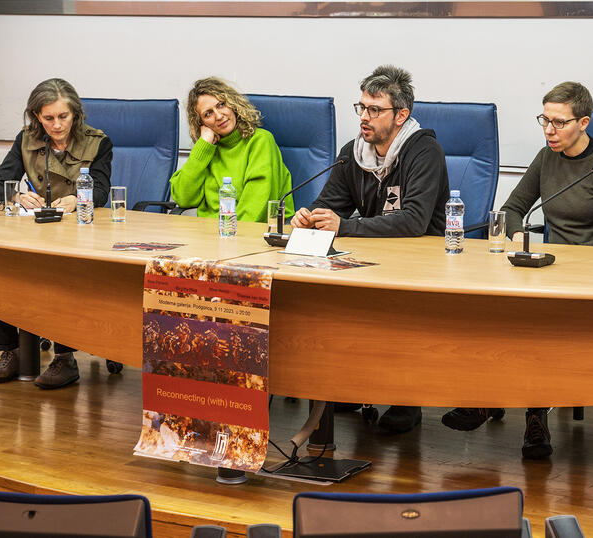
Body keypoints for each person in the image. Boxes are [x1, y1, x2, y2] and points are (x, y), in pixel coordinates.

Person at [440, 81, 593, 459]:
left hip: (591, 274)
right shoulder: (547, 157)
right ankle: (486, 397)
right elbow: (514, 208)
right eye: (544, 120)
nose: (549, 130)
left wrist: (564, 259)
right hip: (545, 267)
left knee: (536, 323)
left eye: (559, 122)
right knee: (490, 308)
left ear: (584, 122)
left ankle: (532, 416)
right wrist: (517, 236)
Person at [291, 64, 449, 432]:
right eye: (362, 107)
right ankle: (354, 386)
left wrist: (344, 226)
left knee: (400, 310)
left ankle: (407, 400)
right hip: (374, 254)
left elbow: (413, 222)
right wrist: (310, 218)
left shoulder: (424, 151)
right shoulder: (353, 153)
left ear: (401, 115)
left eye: (375, 110)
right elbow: (330, 204)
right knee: (333, 301)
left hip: (422, 259)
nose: (365, 116)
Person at [0, 77, 113, 389]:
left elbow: (101, 191)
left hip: (80, 231)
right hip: (36, 228)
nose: (56, 125)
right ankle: (11, 351)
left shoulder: (98, 142)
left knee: (61, 273)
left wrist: (77, 199)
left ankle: (65, 358)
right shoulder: (26, 139)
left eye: (63, 117)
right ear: (36, 117)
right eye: (48, 118)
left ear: (76, 114)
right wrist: (16, 197)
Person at [169, 77, 294, 221]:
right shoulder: (207, 149)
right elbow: (184, 198)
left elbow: (255, 211)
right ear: (201, 123)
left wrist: (226, 234)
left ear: (233, 104)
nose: (219, 116)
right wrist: (203, 146)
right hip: (211, 232)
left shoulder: (261, 141)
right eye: (208, 114)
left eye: (221, 105)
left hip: (248, 233)